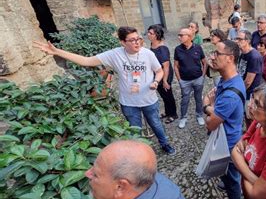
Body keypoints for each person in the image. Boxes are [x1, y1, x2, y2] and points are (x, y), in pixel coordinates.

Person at [34, 27, 176, 155]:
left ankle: (165, 144)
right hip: (129, 103)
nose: (137, 42)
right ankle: (140, 154)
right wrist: (57, 51)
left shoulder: (148, 54)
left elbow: (159, 71)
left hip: (149, 99)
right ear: (122, 42)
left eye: (138, 38)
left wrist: (156, 81)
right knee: (135, 131)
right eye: (132, 40)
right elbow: (86, 61)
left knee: (156, 124)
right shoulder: (114, 55)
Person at [202, 40, 246, 199]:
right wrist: (214, 109)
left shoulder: (230, 93)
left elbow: (210, 124)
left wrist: (207, 107)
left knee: (232, 179)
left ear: (230, 59)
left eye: (217, 54)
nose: (212, 57)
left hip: (227, 144)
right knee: (229, 176)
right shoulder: (226, 80)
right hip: (226, 138)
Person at [174, 27, 207, 129]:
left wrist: (203, 76)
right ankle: (183, 118)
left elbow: (205, 63)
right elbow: (175, 65)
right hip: (185, 80)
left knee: (198, 98)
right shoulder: (178, 49)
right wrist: (179, 80)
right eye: (179, 35)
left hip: (198, 79)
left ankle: (199, 115)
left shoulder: (198, 48)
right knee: (185, 100)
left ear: (189, 37)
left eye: (181, 35)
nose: (179, 37)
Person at [147, 25, 178, 124]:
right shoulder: (152, 45)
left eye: (151, 33)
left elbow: (166, 66)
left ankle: (173, 114)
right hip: (157, 75)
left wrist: (165, 81)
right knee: (163, 95)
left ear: (157, 35)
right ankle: (167, 112)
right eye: (148, 32)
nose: (148, 34)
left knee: (168, 95)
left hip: (165, 75)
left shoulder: (162, 49)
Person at [236, 29, 263, 101]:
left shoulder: (254, 57)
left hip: (250, 94)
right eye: (236, 39)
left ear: (247, 41)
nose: (237, 41)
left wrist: (238, 93)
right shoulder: (242, 54)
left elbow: (248, 82)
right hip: (243, 91)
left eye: (240, 39)